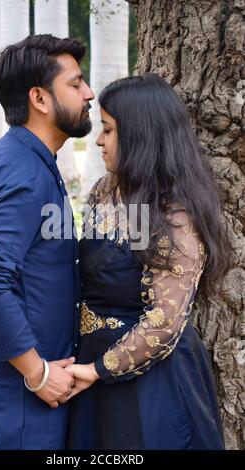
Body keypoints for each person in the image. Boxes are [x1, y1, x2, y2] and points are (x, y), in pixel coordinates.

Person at [65, 74, 230, 450]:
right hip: (89, 370)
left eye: (108, 130)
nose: (99, 140)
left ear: (140, 135)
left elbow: (165, 319)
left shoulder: (176, 213)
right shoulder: (103, 192)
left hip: (153, 383)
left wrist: (98, 370)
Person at [0, 34, 94, 450]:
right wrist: (38, 372)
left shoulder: (12, 154)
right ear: (40, 99)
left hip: (4, 389)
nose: (89, 93)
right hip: (11, 406)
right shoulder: (24, 173)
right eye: (76, 83)